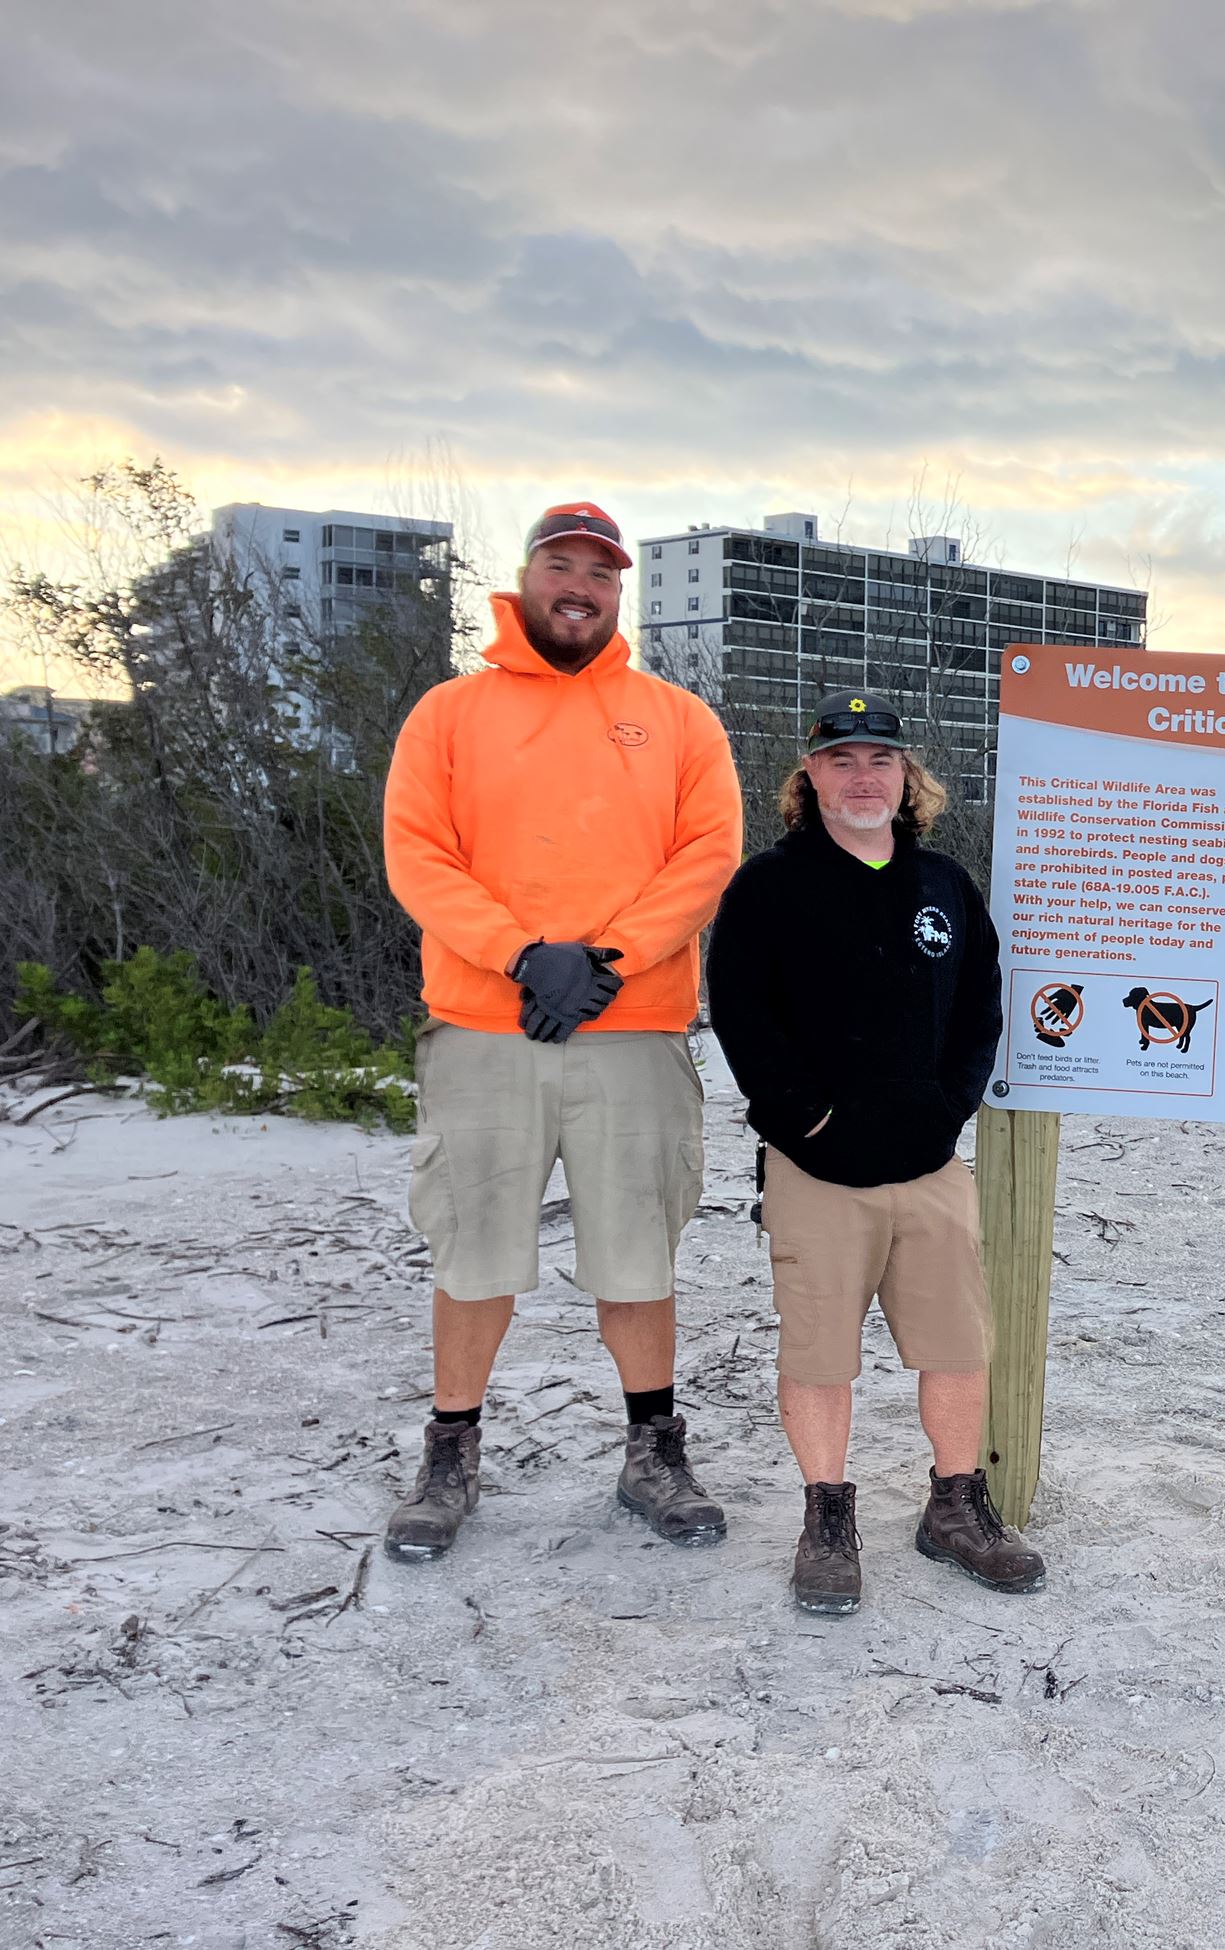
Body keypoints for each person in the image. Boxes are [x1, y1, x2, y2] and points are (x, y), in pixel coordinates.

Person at [380, 503, 743, 1561]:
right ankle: (450, 1455)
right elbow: (418, 855)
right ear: (527, 576)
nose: (578, 585)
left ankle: (653, 1453)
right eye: (561, 564)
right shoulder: (449, 714)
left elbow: (706, 856)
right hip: (486, 1029)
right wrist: (520, 953)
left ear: (618, 590)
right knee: (474, 1245)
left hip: (631, 1030)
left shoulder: (678, 719)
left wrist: (605, 959)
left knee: (636, 1251)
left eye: (600, 570)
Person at [705, 691, 1039, 1615]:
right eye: (842, 760)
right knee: (820, 1355)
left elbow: (981, 1010)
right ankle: (825, 1520)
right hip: (817, 1170)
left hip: (929, 1166)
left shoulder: (944, 887)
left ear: (907, 780)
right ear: (810, 778)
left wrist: (947, 1113)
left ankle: (956, 1509)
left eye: (881, 761)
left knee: (958, 1345)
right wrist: (804, 1122)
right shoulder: (768, 888)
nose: (863, 776)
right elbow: (742, 1017)